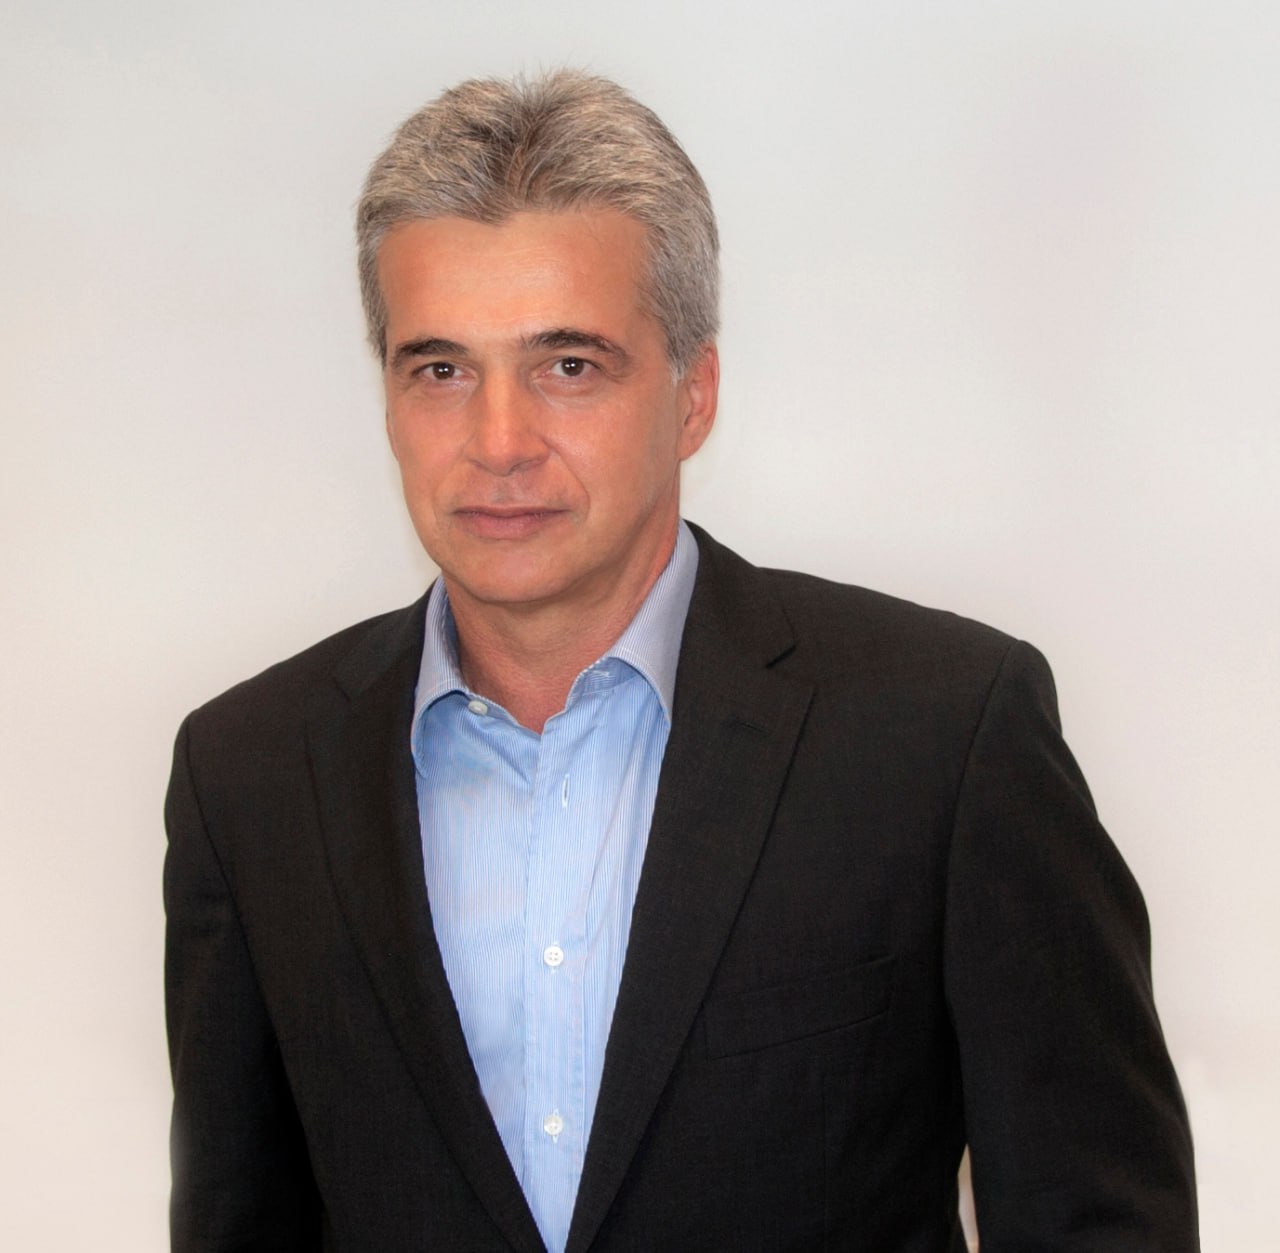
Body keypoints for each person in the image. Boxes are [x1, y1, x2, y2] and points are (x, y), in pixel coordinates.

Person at [164, 70, 1199, 1253]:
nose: (498, 442)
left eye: (567, 365)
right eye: (440, 368)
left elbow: (1097, 1219)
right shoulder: (249, 776)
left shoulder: (943, 737)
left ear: (692, 393)